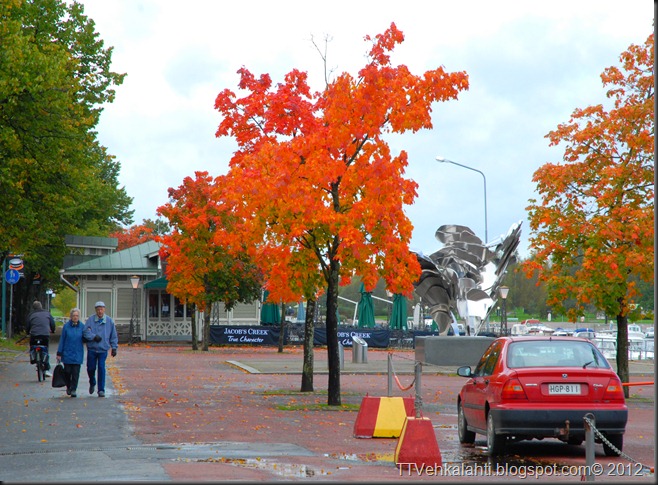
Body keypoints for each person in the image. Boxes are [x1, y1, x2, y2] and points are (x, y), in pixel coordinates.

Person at [83, 301, 118, 397]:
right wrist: (93, 337)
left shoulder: (109, 321)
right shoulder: (90, 320)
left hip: (103, 349)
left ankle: (101, 390)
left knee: (101, 368)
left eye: (101, 309)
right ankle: (92, 382)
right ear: (95, 310)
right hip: (92, 349)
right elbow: (85, 332)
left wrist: (114, 347)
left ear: (104, 309)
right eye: (98, 309)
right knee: (91, 368)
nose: (100, 311)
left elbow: (113, 335)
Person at [56, 308, 85, 397]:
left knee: (76, 373)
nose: (75, 317)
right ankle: (68, 386)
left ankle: (74, 389)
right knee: (67, 372)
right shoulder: (66, 326)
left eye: (77, 316)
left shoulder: (82, 327)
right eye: (74, 316)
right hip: (67, 352)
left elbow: (86, 337)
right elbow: (62, 339)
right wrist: (59, 352)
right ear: (71, 317)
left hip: (77, 353)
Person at [26, 300, 56, 377]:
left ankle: (34, 358)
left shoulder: (31, 315)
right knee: (46, 350)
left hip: (34, 335)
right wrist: (52, 330)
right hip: (45, 335)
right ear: (41, 306)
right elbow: (52, 323)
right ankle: (46, 367)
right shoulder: (47, 313)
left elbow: (28, 325)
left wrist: (27, 332)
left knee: (32, 346)